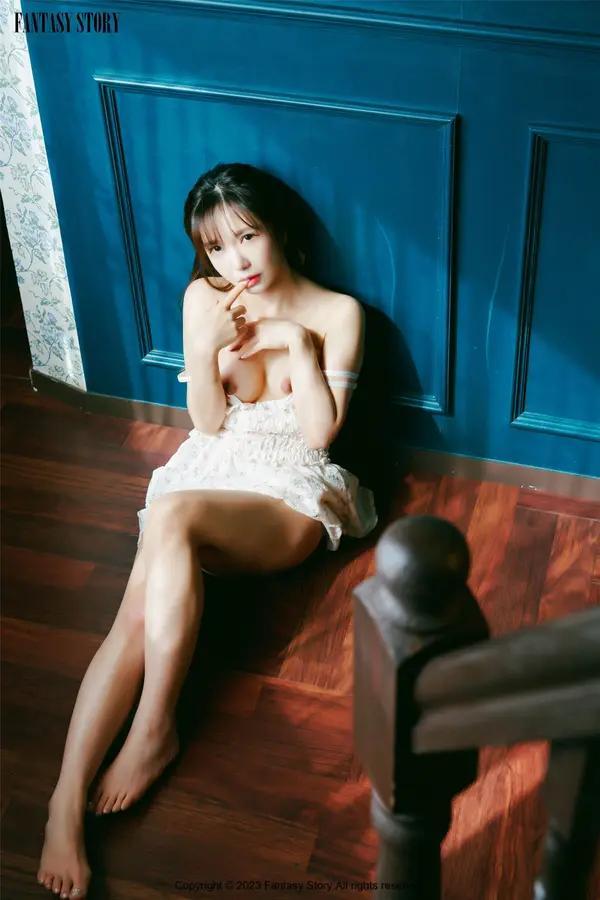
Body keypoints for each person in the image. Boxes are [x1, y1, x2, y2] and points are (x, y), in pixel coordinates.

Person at [36, 162, 378, 898]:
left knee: (171, 515)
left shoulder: (337, 313)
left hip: (285, 494)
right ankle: (64, 802)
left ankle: (154, 727)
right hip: (208, 471)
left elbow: (319, 438)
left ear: (278, 229)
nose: (235, 261)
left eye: (247, 238)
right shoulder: (205, 297)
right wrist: (206, 346)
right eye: (216, 247)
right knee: (134, 610)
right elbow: (208, 423)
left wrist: (298, 345)